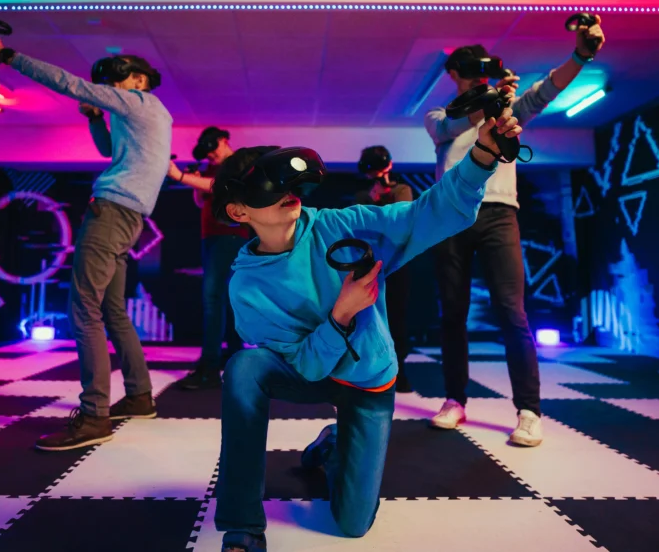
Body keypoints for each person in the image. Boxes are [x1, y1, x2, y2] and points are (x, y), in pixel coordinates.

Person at [214, 108, 521, 552]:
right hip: (306, 369)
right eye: (271, 186)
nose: (289, 192)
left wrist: (483, 156)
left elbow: (426, 214)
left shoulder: (341, 225)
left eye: (289, 183)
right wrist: (341, 314)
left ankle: (333, 445)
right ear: (239, 210)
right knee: (244, 367)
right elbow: (306, 364)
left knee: (353, 525)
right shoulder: (245, 285)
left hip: (366, 378)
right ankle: (242, 526)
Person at [0, 25, 173, 451]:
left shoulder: (140, 100)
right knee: (113, 310)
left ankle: (94, 416)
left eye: (119, 77)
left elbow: (69, 84)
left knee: (84, 309)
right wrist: (96, 122)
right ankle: (139, 397)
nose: (111, 86)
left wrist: (8, 55)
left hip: (112, 213)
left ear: (139, 81)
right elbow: (108, 152)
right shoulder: (144, 115)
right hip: (130, 215)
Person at [423, 16, 606, 447]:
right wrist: (488, 99)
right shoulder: (438, 115)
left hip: (500, 214)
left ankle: (529, 410)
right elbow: (451, 126)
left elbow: (548, 89)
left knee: (512, 311)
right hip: (451, 215)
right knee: (453, 311)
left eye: (481, 73)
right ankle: (455, 399)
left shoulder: (507, 107)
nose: (476, 79)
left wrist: (582, 55)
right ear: (454, 76)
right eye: (470, 74)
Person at [165, 126, 251, 389]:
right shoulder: (215, 169)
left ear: (224, 141)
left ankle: (210, 367)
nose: (211, 155)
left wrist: (180, 176)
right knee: (224, 297)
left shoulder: (238, 164)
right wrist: (193, 180)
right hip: (214, 237)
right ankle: (233, 357)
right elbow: (202, 198)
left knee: (214, 298)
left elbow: (217, 187)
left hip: (230, 236)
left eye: (213, 149)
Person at [354, 146, 414, 393]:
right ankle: (368, 370)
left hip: (396, 265)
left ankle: (399, 370)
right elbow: (358, 227)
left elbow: (401, 223)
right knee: (367, 318)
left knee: (398, 318)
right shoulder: (362, 195)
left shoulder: (402, 190)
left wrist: (381, 200)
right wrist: (373, 199)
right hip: (369, 266)